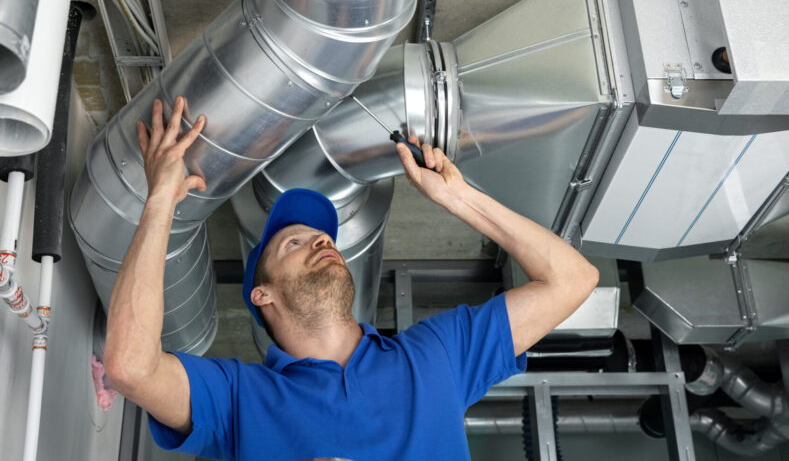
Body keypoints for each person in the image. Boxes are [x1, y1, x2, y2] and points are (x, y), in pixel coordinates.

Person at [104, 96, 599, 461]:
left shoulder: (436, 356)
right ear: (263, 293)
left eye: (324, 239)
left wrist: (458, 198)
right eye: (294, 243)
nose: (322, 241)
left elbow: (572, 278)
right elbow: (129, 366)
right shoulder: (237, 398)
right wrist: (160, 201)